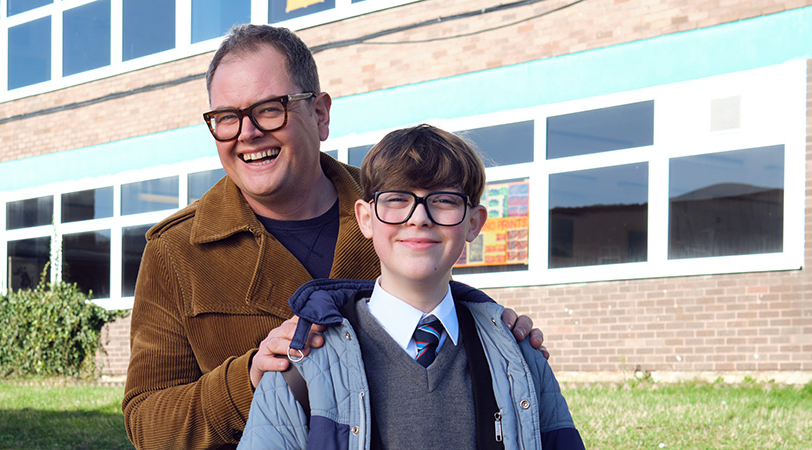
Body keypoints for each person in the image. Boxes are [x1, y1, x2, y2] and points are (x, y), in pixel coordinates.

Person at [122, 24, 546, 449]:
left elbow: (435, 309)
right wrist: (248, 379)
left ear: (320, 114)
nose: (246, 133)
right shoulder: (176, 251)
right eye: (227, 118)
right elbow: (147, 424)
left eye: (270, 109)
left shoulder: (393, 210)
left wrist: (495, 330)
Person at [239, 124, 584, 449]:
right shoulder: (304, 365)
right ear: (366, 219)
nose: (419, 218)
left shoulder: (518, 360)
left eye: (444, 201)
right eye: (396, 200)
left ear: (473, 223)